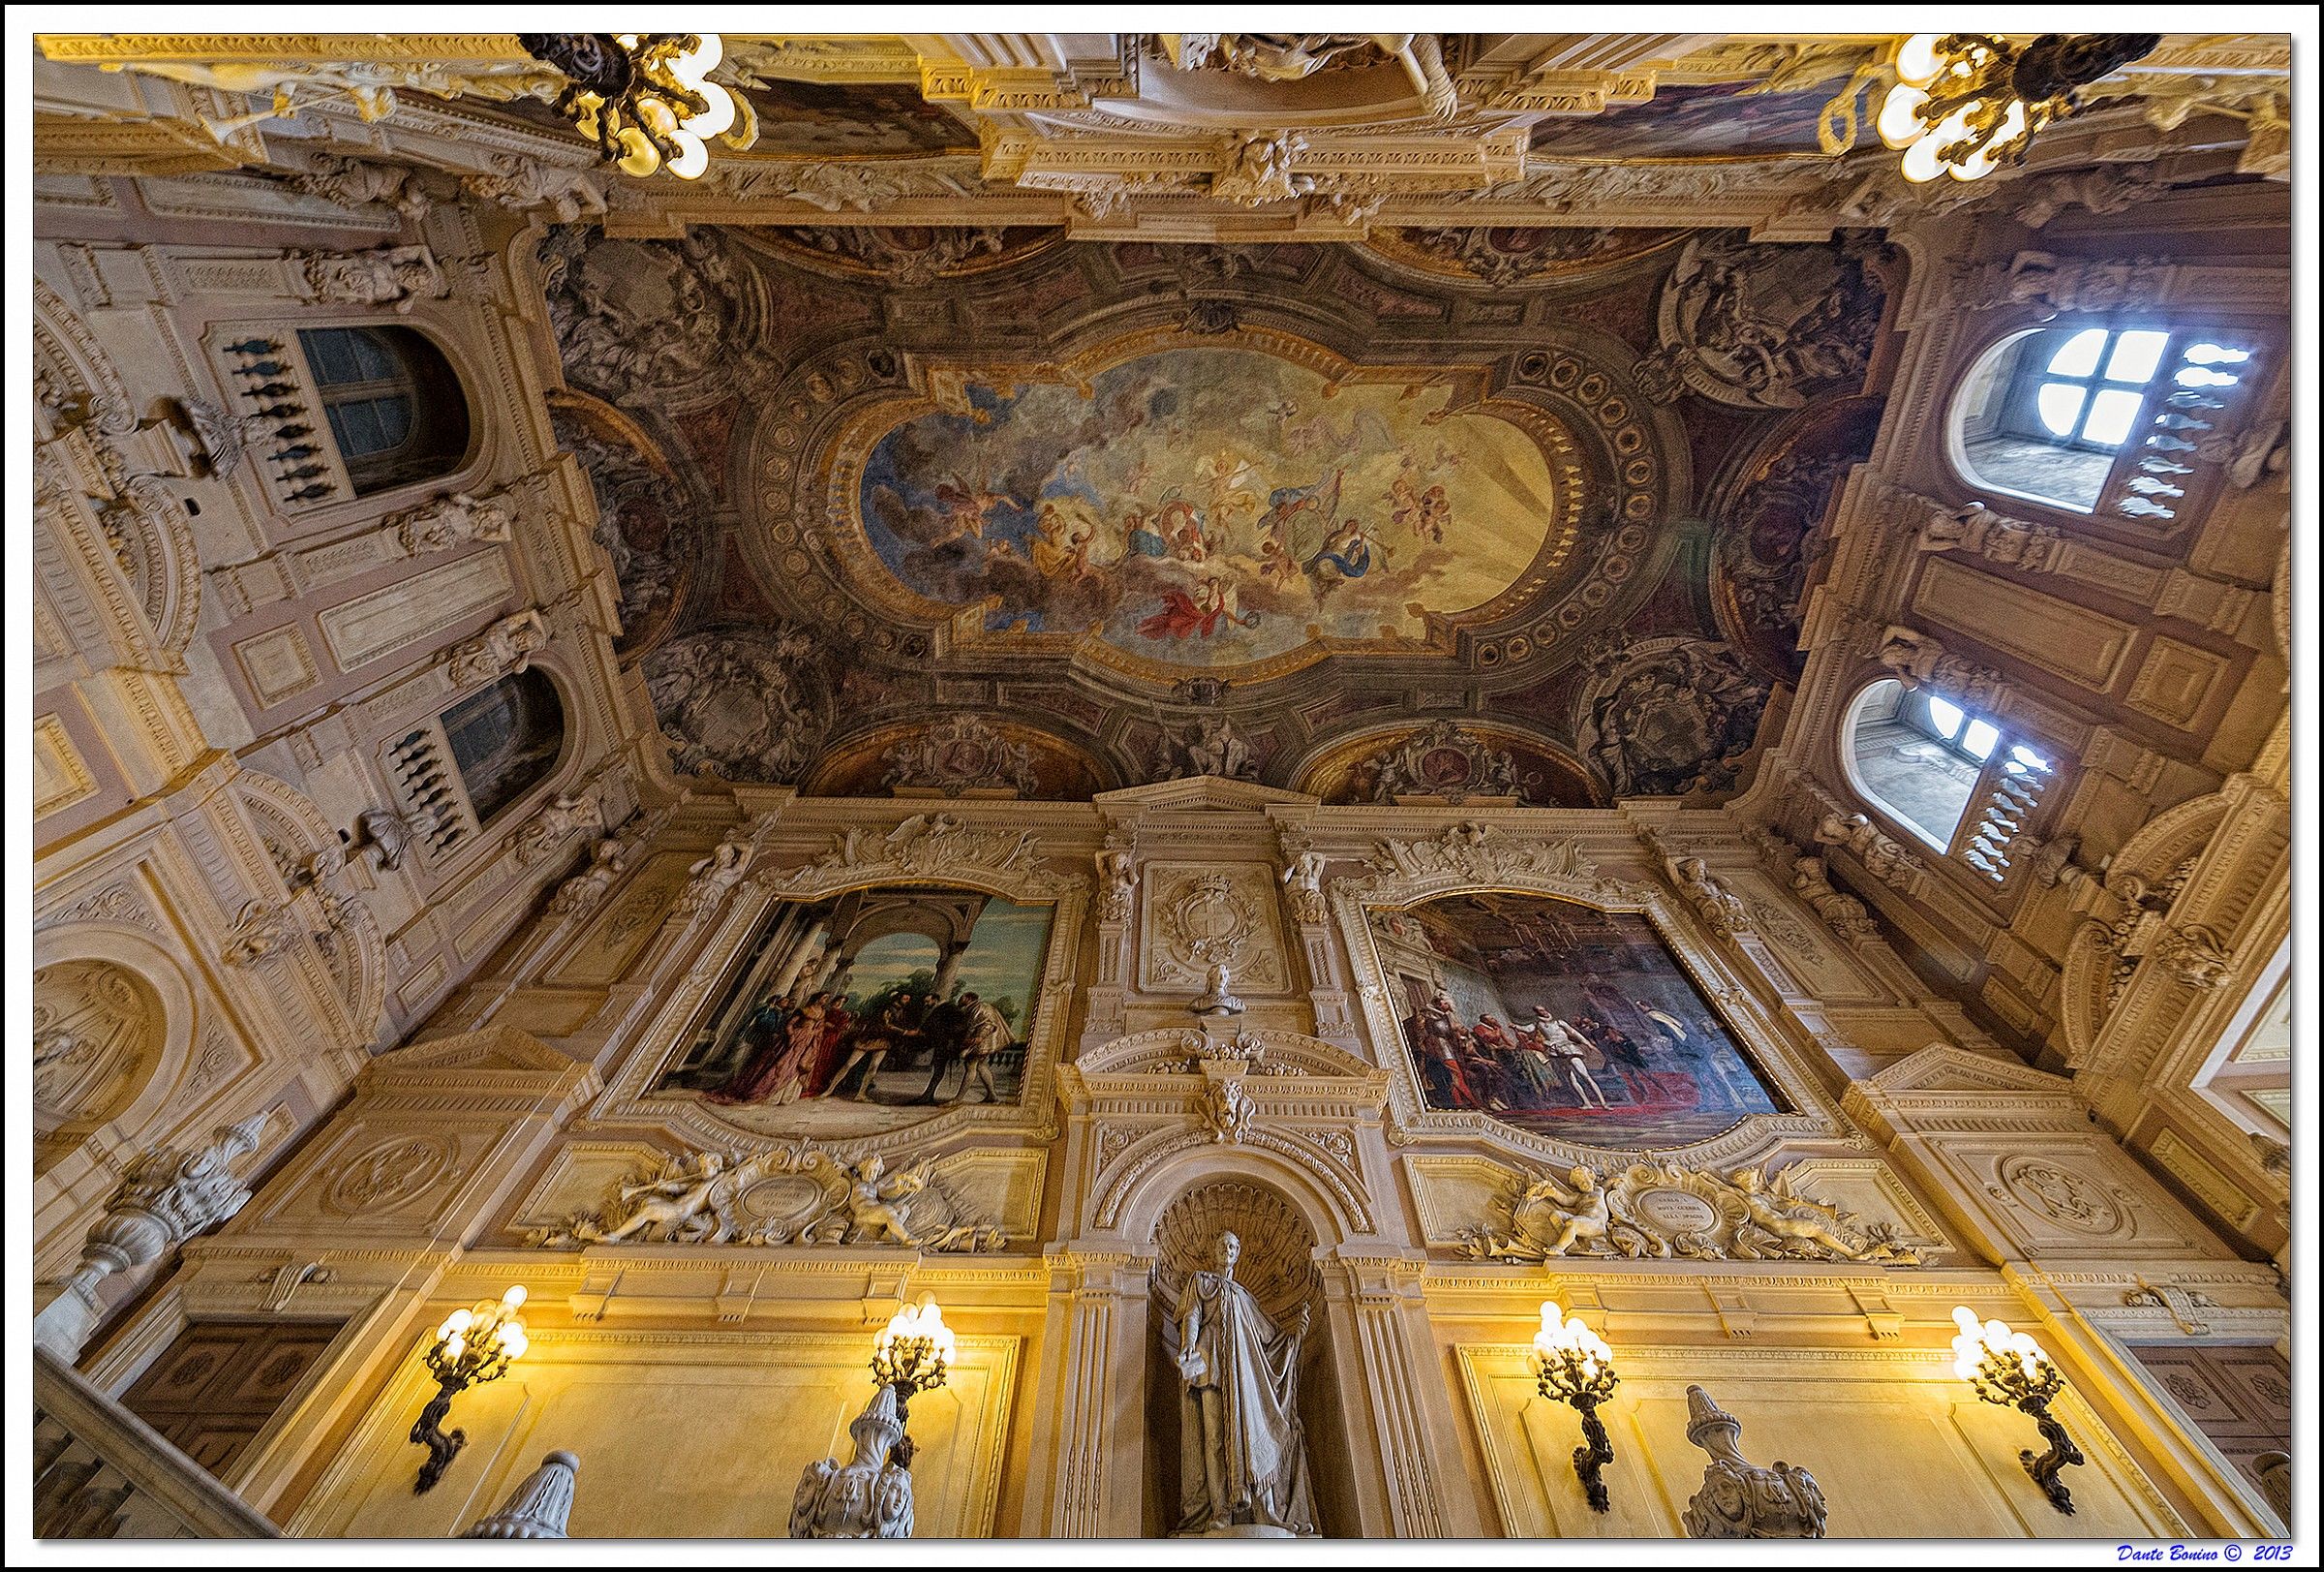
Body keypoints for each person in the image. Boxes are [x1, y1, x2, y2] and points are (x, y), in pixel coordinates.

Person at [1170, 1231, 1318, 1536]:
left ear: (1238, 1253)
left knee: (1250, 1433)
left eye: (1234, 1246)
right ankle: (1220, 1512)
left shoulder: (1245, 1297)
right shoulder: (1202, 1282)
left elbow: (1267, 1341)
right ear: (1215, 1250)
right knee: (1213, 1440)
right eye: (1223, 1244)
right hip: (1209, 1364)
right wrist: (1188, 1342)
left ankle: (1264, 1510)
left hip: (1246, 1373)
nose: (1228, 1249)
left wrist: (1294, 1337)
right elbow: (1192, 1314)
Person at [1528, 1004, 1609, 1110]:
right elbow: (1528, 1028)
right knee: (1572, 1079)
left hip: (1569, 1049)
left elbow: (1574, 1033)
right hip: (1557, 1053)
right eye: (1540, 1011)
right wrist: (1515, 1026)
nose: (1543, 1012)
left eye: (1544, 1010)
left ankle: (1603, 1103)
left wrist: (1588, 1044)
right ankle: (1587, 1103)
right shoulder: (1539, 1024)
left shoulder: (1559, 1023)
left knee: (1585, 1076)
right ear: (1537, 1013)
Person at [948, 991, 1014, 1105]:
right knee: (981, 1066)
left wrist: (978, 1038)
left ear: (968, 998)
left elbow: (988, 1024)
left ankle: (957, 1099)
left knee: (970, 1066)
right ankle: (992, 1095)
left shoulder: (981, 1007)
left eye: (962, 997)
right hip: (980, 1042)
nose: (960, 999)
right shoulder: (973, 1007)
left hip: (981, 1042)